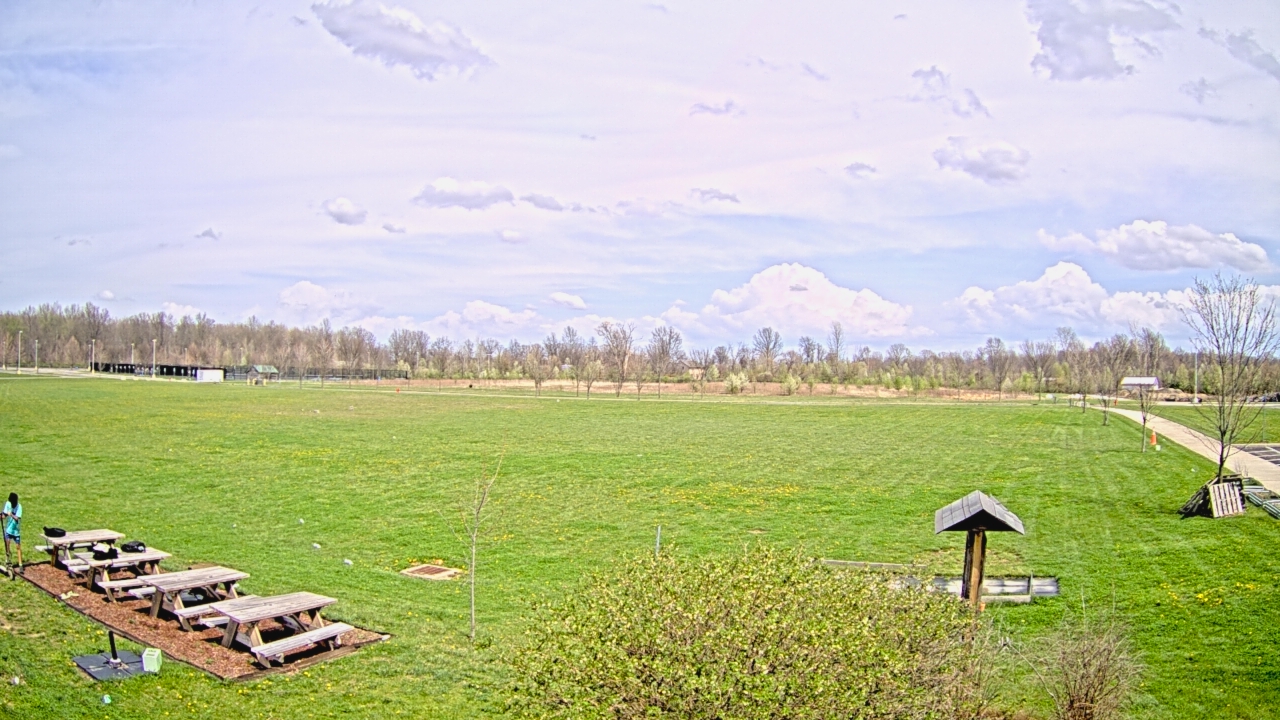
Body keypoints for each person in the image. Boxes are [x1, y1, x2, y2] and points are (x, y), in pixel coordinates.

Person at [2, 492, 21, 573]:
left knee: (18, 547)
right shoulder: (8, 504)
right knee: (7, 545)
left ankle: (20, 565)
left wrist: (11, 515)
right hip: (8, 530)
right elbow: (5, 515)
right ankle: (8, 561)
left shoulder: (19, 506)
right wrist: (2, 516)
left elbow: (17, 518)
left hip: (16, 531)